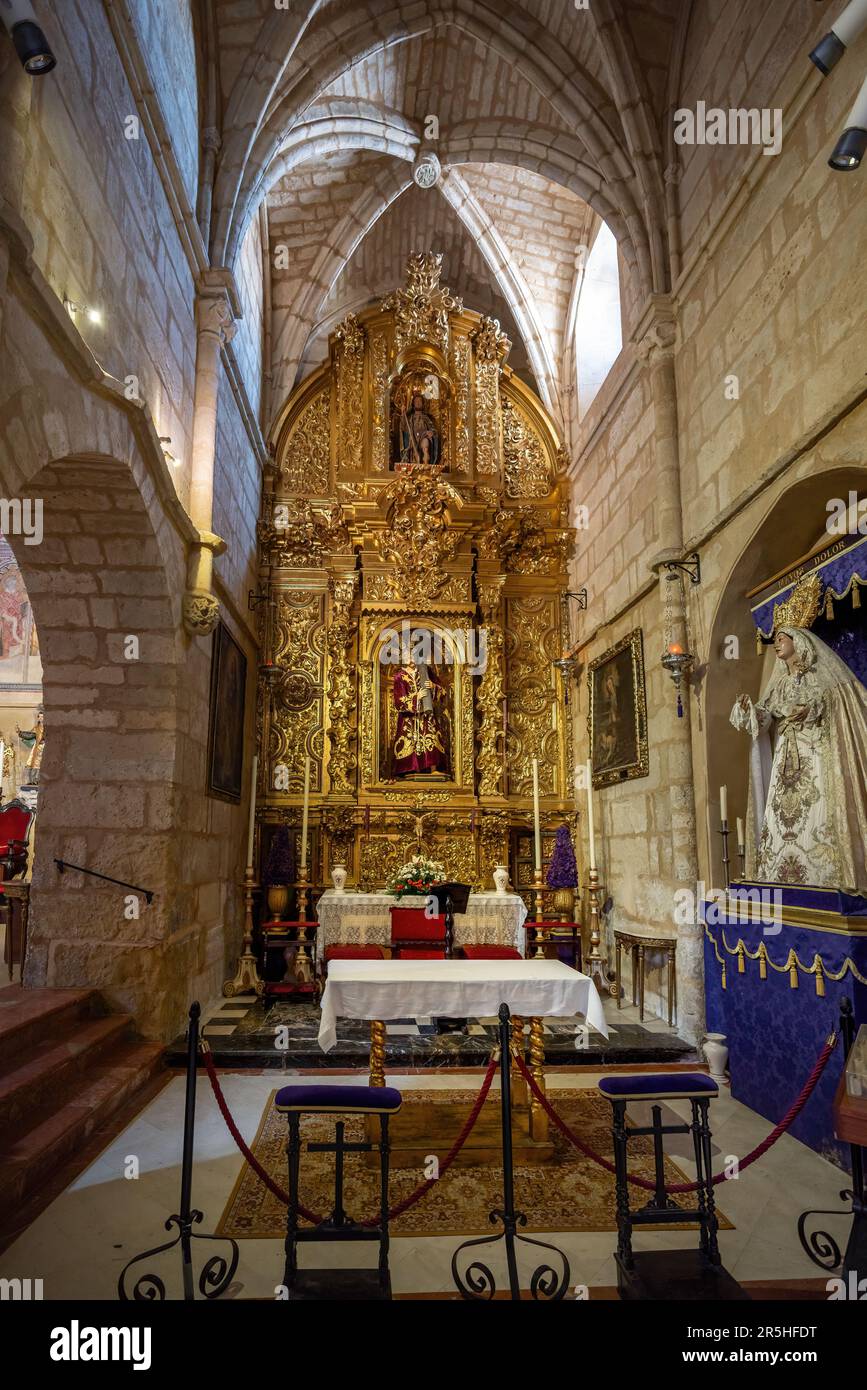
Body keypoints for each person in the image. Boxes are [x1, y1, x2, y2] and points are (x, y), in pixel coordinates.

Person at [730, 625, 867, 891]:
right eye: (775, 641)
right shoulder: (779, 683)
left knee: (817, 807)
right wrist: (750, 710)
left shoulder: (819, 675)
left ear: (798, 641)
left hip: (814, 753)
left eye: (781, 639)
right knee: (782, 816)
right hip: (785, 760)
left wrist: (812, 708)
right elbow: (766, 716)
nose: (777, 644)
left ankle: (827, 877)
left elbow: (835, 704)